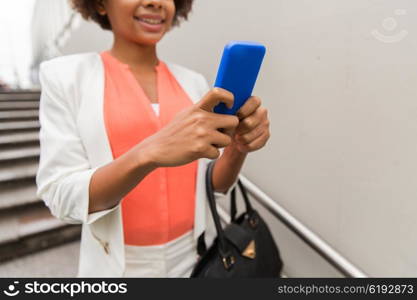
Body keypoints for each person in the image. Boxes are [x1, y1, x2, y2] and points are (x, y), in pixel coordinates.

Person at [36, 0, 270, 277]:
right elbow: (61, 197)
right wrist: (148, 153)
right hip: (119, 266)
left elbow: (212, 186)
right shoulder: (65, 77)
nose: (155, 2)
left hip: (193, 258)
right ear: (100, 4)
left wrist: (237, 149)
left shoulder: (193, 82)